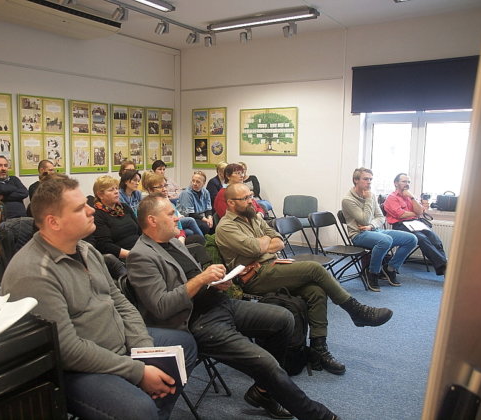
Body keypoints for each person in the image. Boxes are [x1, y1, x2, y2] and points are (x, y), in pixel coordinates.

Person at [0, 175, 197, 420]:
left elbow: (120, 302)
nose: (91, 209)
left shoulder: (86, 249)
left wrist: (144, 350)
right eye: (80, 208)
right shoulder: (33, 273)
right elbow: (68, 350)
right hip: (77, 369)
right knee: (138, 409)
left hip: (117, 343)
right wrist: (138, 370)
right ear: (53, 222)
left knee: (185, 345)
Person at [127, 194, 339, 420]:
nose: (177, 217)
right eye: (170, 214)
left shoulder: (171, 242)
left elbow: (192, 279)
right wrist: (201, 279)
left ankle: (264, 391)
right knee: (267, 364)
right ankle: (318, 415)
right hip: (198, 321)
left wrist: (215, 282)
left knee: (285, 318)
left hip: (219, 303)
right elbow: (161, 306)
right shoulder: (141, 256)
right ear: (152, 220)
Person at [216, 183, 394, 375]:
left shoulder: (252, 216)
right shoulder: (226, 227)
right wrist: (264, 242)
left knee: (316, 291)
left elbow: (278, 240)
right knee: (314, 268)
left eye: (251, 196)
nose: (251, 201)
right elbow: (255, 248)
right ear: (231, 203)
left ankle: (319, 349)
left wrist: (264, 243)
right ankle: (356, 310)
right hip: (254, 277)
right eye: (245, 198)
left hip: (272, 266)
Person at [341, 168, 418, 291]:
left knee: (411, 239)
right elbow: (364, 220)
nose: (369, 182)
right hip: (358, 234)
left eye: (370, 179)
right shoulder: (348, 200)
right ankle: (372, 273)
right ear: (356, 180)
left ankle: (390, 268)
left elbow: (381, 217)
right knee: (385, 240)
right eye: (366, 179)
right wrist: (368, 200)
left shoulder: (371, 195)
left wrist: (371, 226)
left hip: (374, 230)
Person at [383, 173, 447, 275]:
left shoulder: (410, 196)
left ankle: (444, 267)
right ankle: (445, 268)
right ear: (396, 183)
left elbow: (420, 211)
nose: (407, 184)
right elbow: (401, 215)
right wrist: (416, 213)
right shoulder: (391, 197)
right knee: (422, 239)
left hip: (415, 223)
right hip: (400, 225)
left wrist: (412, 198)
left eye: (408, 182)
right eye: (404, 181)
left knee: (435, 239)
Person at [142, 172, 205, 243]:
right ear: (150, 190)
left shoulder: (170, 204)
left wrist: (181, 238)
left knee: (195, 236)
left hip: (173, 237)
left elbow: (179, 227)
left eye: (165, 185)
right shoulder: (145, 208)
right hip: (160, 241)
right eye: (160, 187)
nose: (164, 189)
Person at [92, 175, 141, 259]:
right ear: (100, 195)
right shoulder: (97, 215)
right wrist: (132, 255)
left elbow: (140, 230)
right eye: (111, 190)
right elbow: (105, 246)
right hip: (124, 256)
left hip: (140, 248)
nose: (116, 192)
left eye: (116, 188)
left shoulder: (124, 207)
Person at [177, 171, 214, 235]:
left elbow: (208, 209)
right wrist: (206, 220)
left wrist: (210, 218)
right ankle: (202, 240)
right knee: (204, 226)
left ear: (204, 183)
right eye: (193, 181)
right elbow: (190, 213)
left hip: (200, 216)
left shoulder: (206, 192)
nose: (194, 183)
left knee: (214, 224)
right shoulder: (186, 193)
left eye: (198, 182)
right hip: (188, 218)